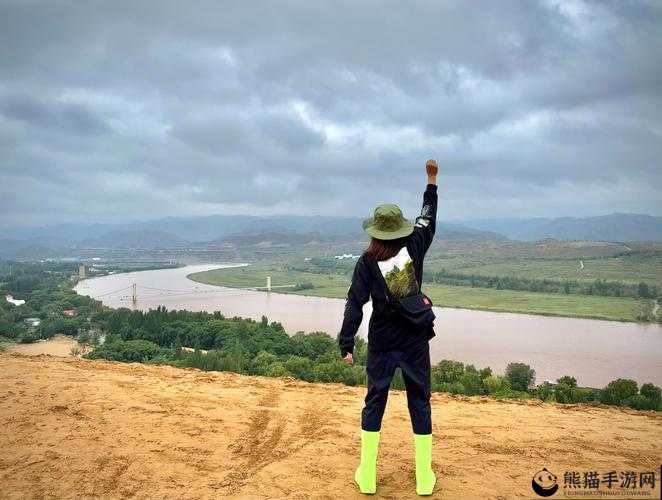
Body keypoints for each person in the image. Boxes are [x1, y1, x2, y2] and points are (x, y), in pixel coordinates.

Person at [339, 159, 439, 495]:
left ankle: (367, 475)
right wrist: (431, 181)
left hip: (382, 340)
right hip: (414, 339)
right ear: (400, 228)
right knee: (419, 402)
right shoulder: (414, 246)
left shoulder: (367, 261)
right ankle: (424, 478)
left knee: (375, 401)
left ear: (375, 231)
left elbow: (355, 302)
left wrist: (346, 344)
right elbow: (427, 217)